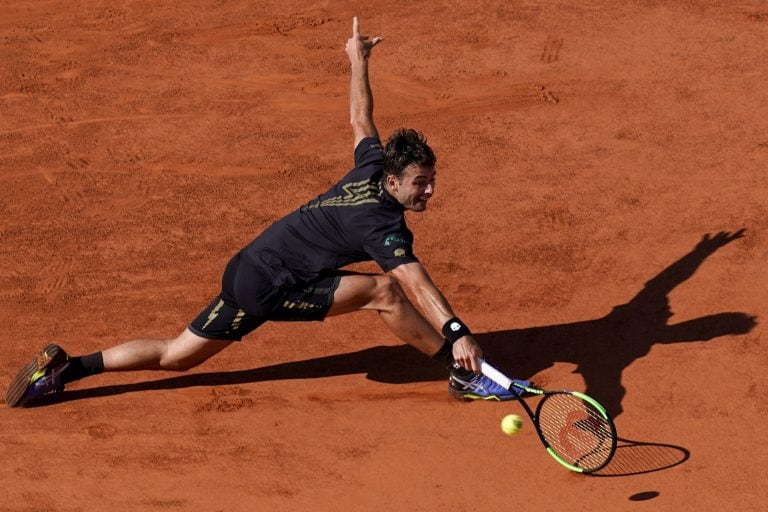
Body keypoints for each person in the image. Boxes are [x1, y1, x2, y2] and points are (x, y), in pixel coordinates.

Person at [5, 17, 528, 408]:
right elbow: (414, 284)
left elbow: (360, 119)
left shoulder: (372, 165)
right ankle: (465, 376)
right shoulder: (380, 221)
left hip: (248, 266)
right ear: (393, 181)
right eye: (421, 183)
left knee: (177, 355)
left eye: (432, 180)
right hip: (271, 284)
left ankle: (67, 369)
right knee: (384, 291)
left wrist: (358, 61)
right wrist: (457, 332)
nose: (429, 191)